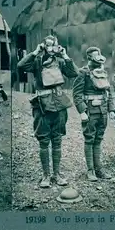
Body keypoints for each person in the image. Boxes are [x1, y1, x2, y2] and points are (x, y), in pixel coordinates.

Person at [17, 35, 78, 188]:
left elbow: (74, 73)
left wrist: (65, 55)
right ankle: (45, 175)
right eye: (48, 45)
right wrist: (34, 52)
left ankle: (56, 174)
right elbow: (20, 66)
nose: (51, 49)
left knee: (57, 140)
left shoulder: (61, 62)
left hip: (59, 105)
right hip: (42, 107)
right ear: (43, 46)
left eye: (54, 45)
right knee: (44, 141)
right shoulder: (37, 62)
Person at [72, 47, 114, 181]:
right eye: (96, 55)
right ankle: (90, 171)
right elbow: (77, 94)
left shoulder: (103, 72)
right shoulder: (83, 73)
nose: (100, 57)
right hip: (90, 111)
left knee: (98, 139)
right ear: (90, 57)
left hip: (103, 111)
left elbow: (109, 91)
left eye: (100, 54)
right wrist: (82, 112)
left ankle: (99, 169)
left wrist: (111, 109)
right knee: (89, 139)